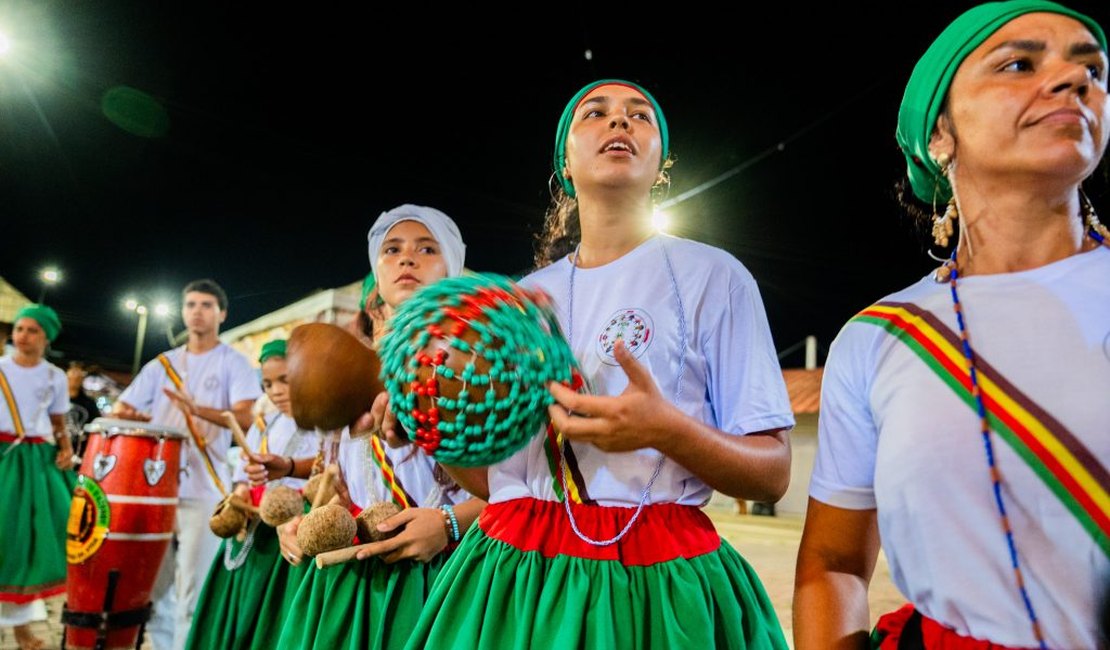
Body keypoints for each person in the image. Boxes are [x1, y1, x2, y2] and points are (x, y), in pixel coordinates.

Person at [407, 80, 795, 649]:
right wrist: (439, 419)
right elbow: (499, 484)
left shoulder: (715, 277)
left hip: (654, 577)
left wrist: (668, 430)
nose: (620, 122)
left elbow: (773, 472)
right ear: (565, 158)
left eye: (639, 116)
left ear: (660, 161)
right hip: (513, 575)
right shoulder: (521, 301)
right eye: (597, 113)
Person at [793, 3, 1109, 648]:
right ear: (940, 136)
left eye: (1093, 70)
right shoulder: (881, 336)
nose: (1074, 81)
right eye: (1020, 64)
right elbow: (834, 563)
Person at [270, 204, 484, 650]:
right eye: (392, 249)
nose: (407, 258)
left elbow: (531, 489)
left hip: (448, 573)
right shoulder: (346, 368)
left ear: (453, 267)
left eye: (427, 248)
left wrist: (448, 524)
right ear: (376, 270)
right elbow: (329, 476)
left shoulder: (478, 362)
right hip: (355, 580)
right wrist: (303, 521)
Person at [113, 279, 262, 650]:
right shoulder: (161, 364)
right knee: (154, 585)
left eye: (206, 304)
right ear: (183, 312)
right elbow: (123, 410)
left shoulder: (234, 363)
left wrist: (196, 410)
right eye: (191, 304)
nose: (197, 310)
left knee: (193, 587)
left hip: (205, 489)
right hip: (156, 488)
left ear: (222, 314)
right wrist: (132, 416)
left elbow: (246, 418)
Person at [184, 339, 317, 650]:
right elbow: (245, 471)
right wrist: (242, 489)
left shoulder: (320, 425)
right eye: (268, 384)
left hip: (287, 533)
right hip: (250, 530)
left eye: (285, 379)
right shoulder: (263, 423)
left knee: (268, 612)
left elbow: (325, 470)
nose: (276, 391)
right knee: (236, 602)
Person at [0, 304, 75, 650]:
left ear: (46, 337)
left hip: (36, 462)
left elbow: (58, 422)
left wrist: (65, 449)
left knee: (31, 541)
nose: (22, 336)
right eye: (19, 329)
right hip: (3, 457)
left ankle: (21, 629)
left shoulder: (53, 376)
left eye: (32, 330)